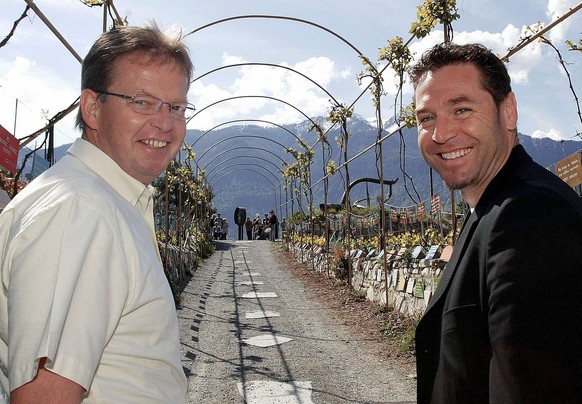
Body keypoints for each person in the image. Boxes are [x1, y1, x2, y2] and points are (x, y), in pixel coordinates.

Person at [0, 23, 194, 402]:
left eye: (176, 107)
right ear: (91, 107)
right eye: (141, 101)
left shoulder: (101, 201)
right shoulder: (82, 214)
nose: (166, 123)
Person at [410, 42, 582, 403]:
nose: (440, 134)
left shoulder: (530, 215)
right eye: (426, 118)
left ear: (508, 111)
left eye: (461, 109)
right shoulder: (491, 209)